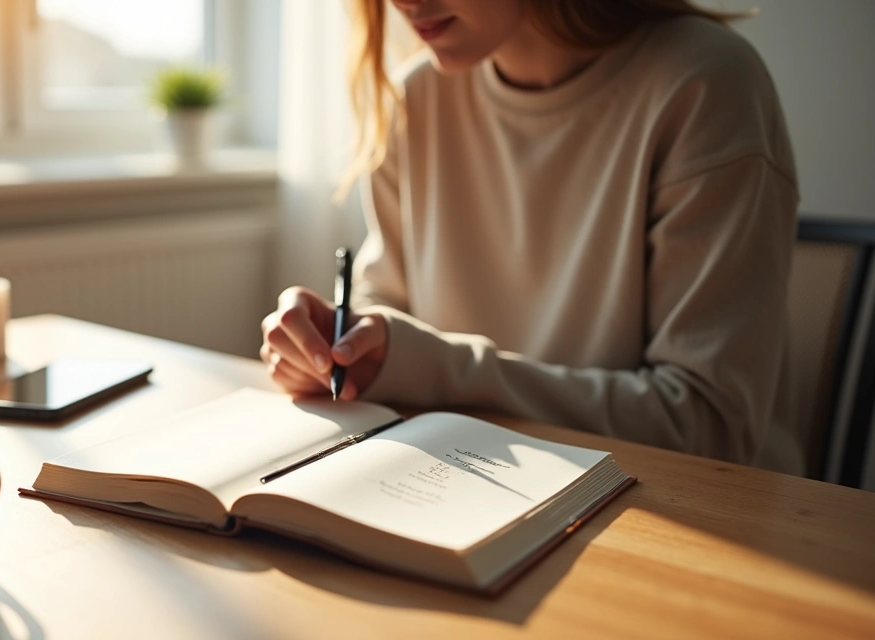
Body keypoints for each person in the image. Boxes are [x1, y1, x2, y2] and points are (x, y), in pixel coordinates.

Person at [260, 0, 802, 474]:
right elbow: (393, 306)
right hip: (476, 480)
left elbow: (707, 427)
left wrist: (438, 369)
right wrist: (346, 345)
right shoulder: (414, 100)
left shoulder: (703, 82)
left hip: (699, 523)